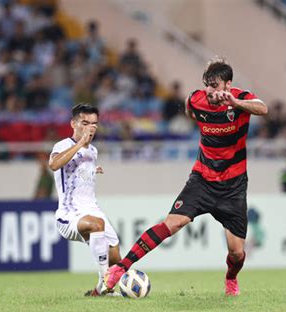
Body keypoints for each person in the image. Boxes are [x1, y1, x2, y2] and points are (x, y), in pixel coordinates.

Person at [104, 57, 268, 296]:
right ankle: (121, 268)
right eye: (208, 85)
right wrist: (195, 112)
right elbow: (190, 106)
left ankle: (231, 278)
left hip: (233, 186)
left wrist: (235, 102)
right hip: (201, 180)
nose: (210, 91)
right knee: (172, 223)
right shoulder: (197, 99)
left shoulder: (240, 98)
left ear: (228, 85)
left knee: (236, 252)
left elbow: (263, 108)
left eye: (216, 85)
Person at [48, 103, 121, 296]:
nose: (90, 127)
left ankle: (99, 290)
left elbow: (79, 170)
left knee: (115, 255)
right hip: (69, 214)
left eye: (94, 124)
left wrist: (92, 170)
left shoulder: (93, 151)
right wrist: (80, 143)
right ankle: (107, 283)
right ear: (73, 123)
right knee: (97, 225)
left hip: (92, 209)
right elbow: (54, 165)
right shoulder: (62, 145)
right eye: (85, 123)